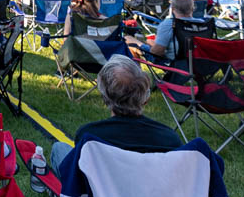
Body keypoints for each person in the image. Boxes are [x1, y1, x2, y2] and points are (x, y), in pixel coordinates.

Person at [49, 55, 182, 172]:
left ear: (105, 96)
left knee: (59, 148)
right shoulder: (170, 139)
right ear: (145, 98)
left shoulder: (89, 136)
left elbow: (80, 175)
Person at [126, 0, 194, 62]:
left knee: (128, 39)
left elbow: (157, 52)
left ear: (172, 9)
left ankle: (135, 70)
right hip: (196, 64)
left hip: (171, 64)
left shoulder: (169, 24)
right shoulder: (202, 24)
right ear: (192, 8)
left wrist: (150, 42)